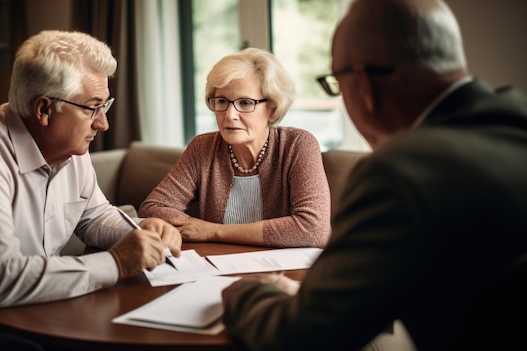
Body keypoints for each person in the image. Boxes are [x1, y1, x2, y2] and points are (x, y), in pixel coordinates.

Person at [221, 0, 527, 350]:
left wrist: (246, 291)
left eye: (337, 83)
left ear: (364, 85)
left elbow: (302, 338)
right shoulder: (516, 117)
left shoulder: (399, 172)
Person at [0, 30, 181, 350]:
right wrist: (117, 263)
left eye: (105, 106)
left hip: (27, 306)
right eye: (92, 108)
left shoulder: (71, 147)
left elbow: (94, 215)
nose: (102, 123)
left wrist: (140, 233)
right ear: (44, 109)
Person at [139, 48, 331, 248]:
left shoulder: (298, 145)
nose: (229, 115)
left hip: (283, 274)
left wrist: (212, 231)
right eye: (222, 101)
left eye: (245, 103)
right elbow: (153, 208)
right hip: (217, 267)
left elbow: (314, 230)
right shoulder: (203, 148)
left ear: (272, 110)